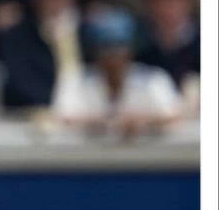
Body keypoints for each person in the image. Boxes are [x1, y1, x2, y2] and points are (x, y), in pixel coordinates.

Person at [52, 9, 180, 137]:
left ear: (131, 50)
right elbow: (61, 118)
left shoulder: (154, 79)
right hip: (87, 150)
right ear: (94, 51)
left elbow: (175, 116)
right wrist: (109, 123)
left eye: (119, 47)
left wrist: (143, 122)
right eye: (106, 47)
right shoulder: (74, 80)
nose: (113, 56)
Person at [135, 0, 199, 93]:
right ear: (150, 3)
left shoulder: (200, 43)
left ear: (189, 2)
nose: (170, 5)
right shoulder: (140, 44)